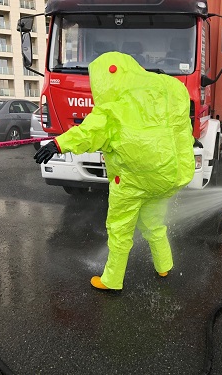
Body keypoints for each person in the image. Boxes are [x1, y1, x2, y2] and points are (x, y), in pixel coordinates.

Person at [34, 52, 195, 291]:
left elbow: (87, 134)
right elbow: (182, 130)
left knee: (120, 229)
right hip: (166, 176)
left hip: (131, 180)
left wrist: (57, 144)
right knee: (154, 224)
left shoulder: (112, 109)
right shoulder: (168, 96)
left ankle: (112, 279)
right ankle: (164, 265)